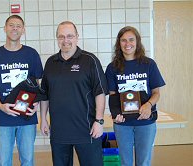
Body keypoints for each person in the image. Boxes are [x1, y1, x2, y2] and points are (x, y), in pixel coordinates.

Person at [0, 15, 43, 166]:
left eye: (18, 26)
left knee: (27, 160)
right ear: (5, 28)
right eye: (11, 25)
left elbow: (37, 85)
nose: (15, 28)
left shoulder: (31, 54)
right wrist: (0, 106)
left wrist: (36, 107)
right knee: (4, 161)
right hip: (3, 118)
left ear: (23, 30)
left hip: (27, 117)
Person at [40, 21, 108, 166]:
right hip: (59, 132)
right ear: (57, 39)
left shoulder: (90, 60)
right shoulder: (50, 63)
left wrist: (99, 121)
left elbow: (100, 92)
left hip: (87, 130)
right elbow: (45, 94)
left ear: (77, 37)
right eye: (61, 36)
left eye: (70, 36)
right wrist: (43, 119)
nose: (66, 40)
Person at [105, 26, 165, 166]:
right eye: (123, 40)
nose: (128, 44)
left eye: (131, 40)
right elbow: (113, 95)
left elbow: (156, 93)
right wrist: (115, 114)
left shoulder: (149, 64)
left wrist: (148, 105)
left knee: (143, 162)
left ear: (137, 41)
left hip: (145, 122)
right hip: (123, 123)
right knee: (126, 162)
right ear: (119, 43)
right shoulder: (112, 67)